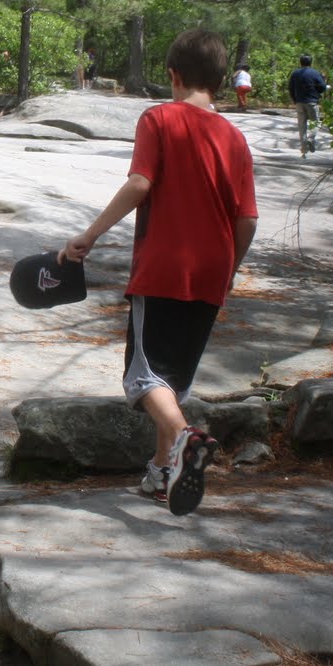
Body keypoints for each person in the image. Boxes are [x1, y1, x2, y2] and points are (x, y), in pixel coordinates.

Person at [61, 29, 258, 516]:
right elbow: (248, 219)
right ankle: (159, 474)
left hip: (165, 266)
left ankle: (185, 438)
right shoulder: (234, 137)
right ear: (220, 81)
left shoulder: (159, 118)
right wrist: (230, 269)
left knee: (144, 377)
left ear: (173, 76)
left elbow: (140, 184)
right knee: (171, 381)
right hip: (212, 271)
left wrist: (90, 234)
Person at [287, 53, 329, 156]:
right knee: (316, 123)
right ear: (311, 62)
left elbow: (290, 88)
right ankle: (311, 138)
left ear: (300, 62)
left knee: (302, 126)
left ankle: (304, 150)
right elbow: (323, 87)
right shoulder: (315, 73)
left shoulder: (295, 73)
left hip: (299, 102)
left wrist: (295, 99)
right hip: (312, 102)